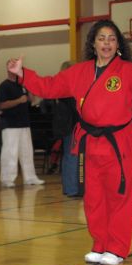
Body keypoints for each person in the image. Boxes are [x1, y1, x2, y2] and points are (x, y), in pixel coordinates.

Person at [7, 19, 132, 265]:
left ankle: (117, 248)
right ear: (93, 43)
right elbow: (49, 86)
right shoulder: (79, 71)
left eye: (112, 38)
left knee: (120, 196)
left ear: (118, 44)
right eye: (101, 38)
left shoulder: (130, 71)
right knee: (94, 198)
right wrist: (22, 74)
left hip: (118, 142)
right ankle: (100, 244)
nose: (107, 43)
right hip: (90, 143)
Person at [0, 66, 45, 188]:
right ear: (8, 70)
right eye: (13, 68)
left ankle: (30, 177)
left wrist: (28, 87)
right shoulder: (4, 86)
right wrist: (18, 101)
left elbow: (32, 100)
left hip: (24, 123)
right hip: (10, 124)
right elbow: (1, 105)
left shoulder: (21, 84)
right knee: (10, 152)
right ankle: (7, 179)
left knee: (27, 152)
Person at [50, 61, 80, 197]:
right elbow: (76, 108)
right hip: (71, 124)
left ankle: (69, 188)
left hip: (64, 124)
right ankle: (73, 188)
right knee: (72, 156)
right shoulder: (70, 86)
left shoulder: (59, 84)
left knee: (68, 156)